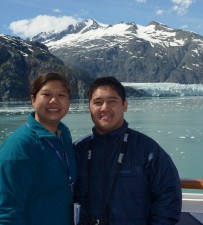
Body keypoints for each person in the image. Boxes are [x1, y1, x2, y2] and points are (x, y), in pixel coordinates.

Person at [74, 76, 182, 225]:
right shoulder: (79, 149)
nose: (104, 108)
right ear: (89, 107)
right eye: (98, 102)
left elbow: (168, 197)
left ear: (125, 105)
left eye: (112, 101)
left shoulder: (147, 150)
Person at [0, 72, 77, 225]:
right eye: (46, 94)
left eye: (61, 95)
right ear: (33, 100)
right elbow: (7, 210)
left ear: (69, 101)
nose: (54, 100)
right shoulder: (20, 145)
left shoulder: (63, 135)